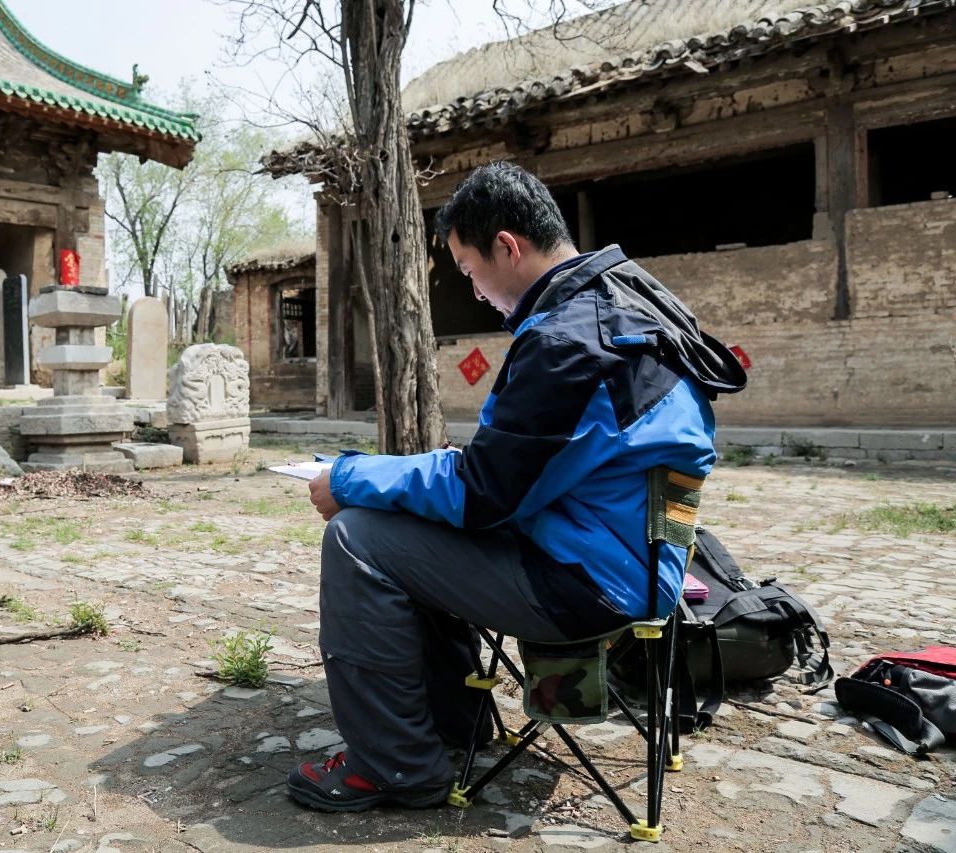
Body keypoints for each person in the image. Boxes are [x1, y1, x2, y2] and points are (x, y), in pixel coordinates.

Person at [286, 162, 747, 813]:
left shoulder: (567, 343)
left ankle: (393, 765)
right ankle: (453, 725)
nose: (476, 292)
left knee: (360, 535)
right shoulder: (634, 299)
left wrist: (352, 475)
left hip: (589, 581)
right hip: (649, 555)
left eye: (471, 271)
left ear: (508, 246)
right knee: (415, 515)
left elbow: (482, 495)